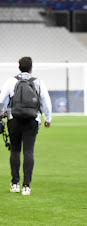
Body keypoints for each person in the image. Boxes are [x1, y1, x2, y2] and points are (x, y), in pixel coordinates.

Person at [0, 57, 52, 195]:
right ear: (31, 68)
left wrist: (1, 114)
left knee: (15, 151)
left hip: (13, 119)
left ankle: (14, 183)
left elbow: (1, 99)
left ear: (18, 67)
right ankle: (26, 186)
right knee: (28, 152)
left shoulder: (11, 81)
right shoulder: (38, 82)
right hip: (32, 119)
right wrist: (48, 119)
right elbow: (46, 101)